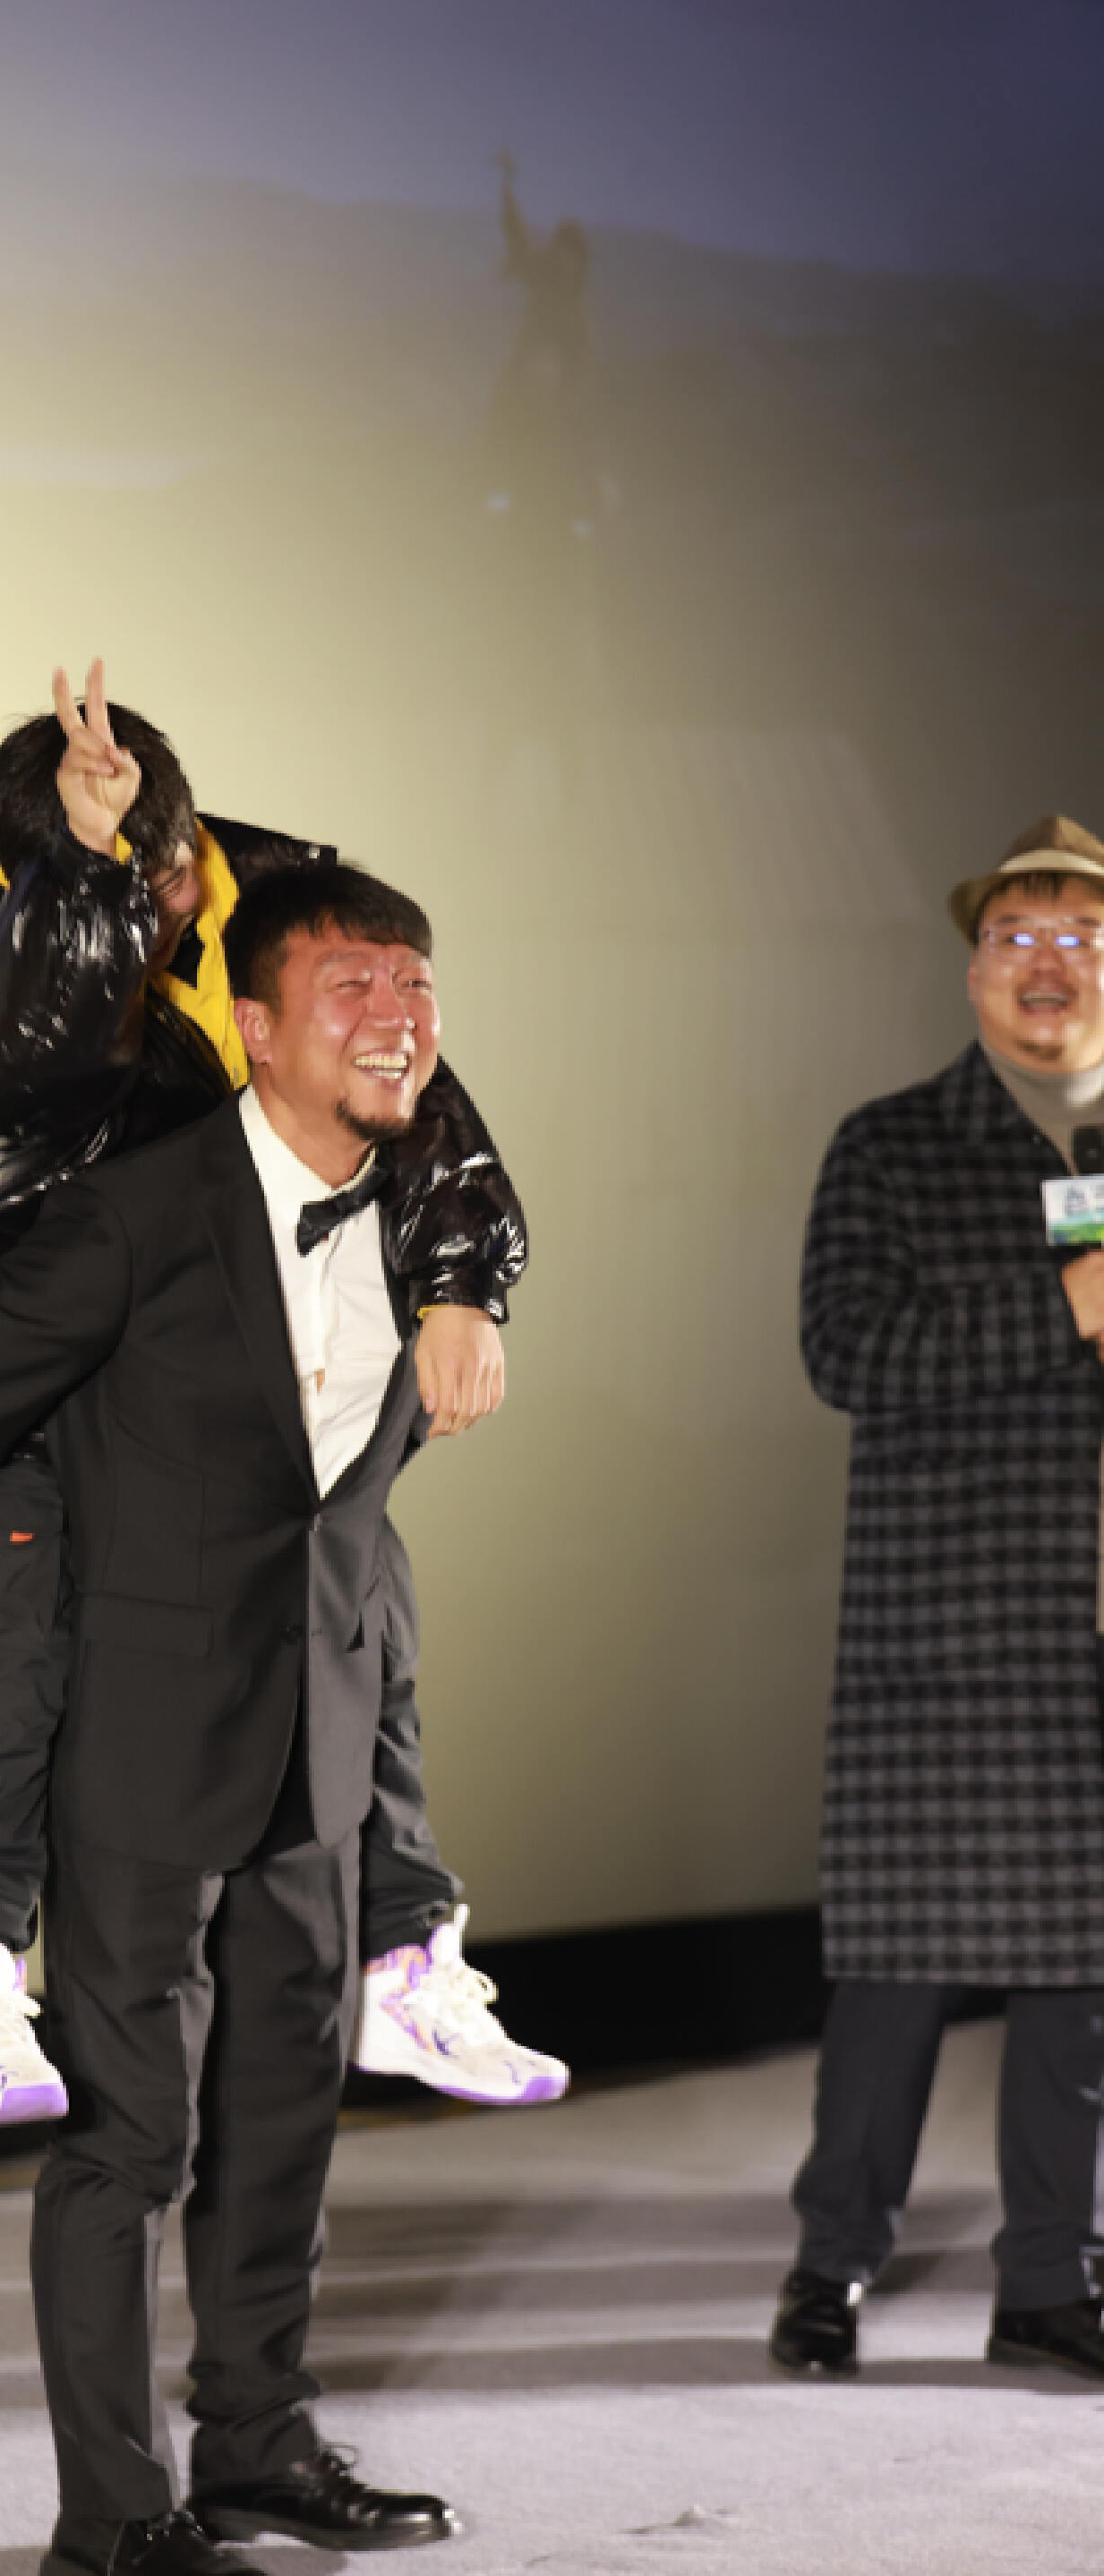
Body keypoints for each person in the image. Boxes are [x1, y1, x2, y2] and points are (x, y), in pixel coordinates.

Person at [0, 669, 565, 2122]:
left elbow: (423, 1104)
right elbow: (19, 1075)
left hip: (239, 1360)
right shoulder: (12, 952)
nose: (158, 907)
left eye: (165, 874)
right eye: (126, 883)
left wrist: (464, 1283)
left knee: (361, 1594)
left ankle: (410, 1956)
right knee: (11, 1603)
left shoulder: (300, 925)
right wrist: (81, 877)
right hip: (81, 1350)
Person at [0, 861, 474, 2576]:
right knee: (133, 2134)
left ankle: (259, 2445)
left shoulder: (434, 1225)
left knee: (283, 2116)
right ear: (256, 1026)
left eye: (415, 983)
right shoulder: (137, 1209)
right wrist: (28, 1601)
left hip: (314, 1745)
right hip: (136, 1743)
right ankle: (115, 2515)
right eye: (353, 985)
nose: (395, 1015)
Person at [771, 813, 1104, 2383]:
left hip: (1095, 1636)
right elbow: (846, 1353)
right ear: (972, 970)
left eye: (1083, 938)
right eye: (1017, 937)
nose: (1050, 965)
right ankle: (831, 2261)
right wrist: (1065, 1306)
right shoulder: (891, 1145)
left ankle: (1049, 2280)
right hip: (951, 1625)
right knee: (895, 1979)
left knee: (1083, 1981)